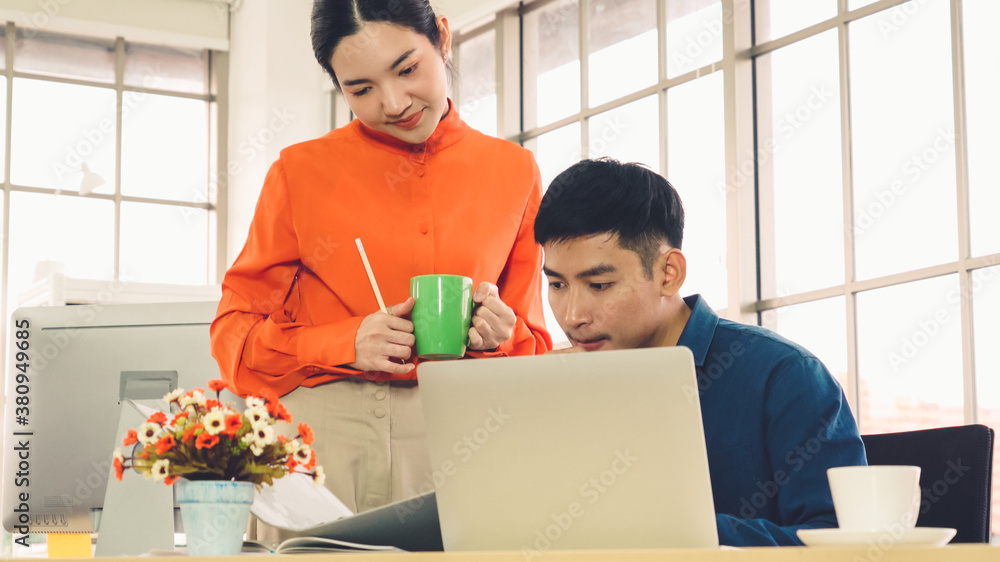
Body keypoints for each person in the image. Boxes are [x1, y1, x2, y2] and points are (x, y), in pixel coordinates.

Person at [210, 0, 551, 523]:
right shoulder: (298, 173)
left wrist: (500, 335)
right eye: (360, 89)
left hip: (459, 431)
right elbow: (233, 334)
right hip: (318, 439)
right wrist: (346, 341)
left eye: (407, 69)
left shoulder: (515, 172)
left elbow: (534, 341)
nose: (393, 103)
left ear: (442, 37)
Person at [533, 158, 866, 546]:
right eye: (557, 286)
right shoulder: (560, 389)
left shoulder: (785, 377)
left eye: (600, 285)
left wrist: (673, 531)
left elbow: (843, 541)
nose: (573, 316)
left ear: (668, 273)